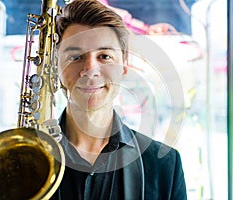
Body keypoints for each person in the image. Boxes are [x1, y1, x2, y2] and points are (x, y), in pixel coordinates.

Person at [50, 0, 187, 199]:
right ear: (57, 67)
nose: (90, 70)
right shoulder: (23, 158)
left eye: (104, 56)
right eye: (75, 57)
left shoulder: (166, 166)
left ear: (124, 65)